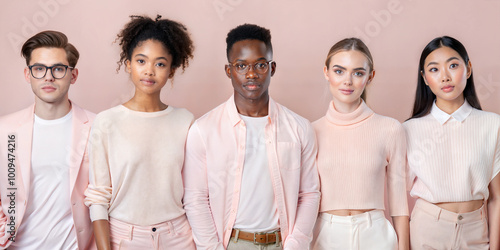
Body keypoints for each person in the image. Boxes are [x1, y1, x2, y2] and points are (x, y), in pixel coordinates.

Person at [183, 23, 320, 250]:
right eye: (241, 65)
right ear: (229, 71)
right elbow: (196, 198)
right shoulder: (203, 130)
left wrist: (296, 245)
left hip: (283, 243)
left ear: (272, 68)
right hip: (231, 244)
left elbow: (309, 194)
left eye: (260, 65)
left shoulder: (299, 128)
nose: (251, 74)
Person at [84, 15, 196, 250]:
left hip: (178, 237)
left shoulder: (185, 120)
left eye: (160, 63)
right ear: (128, 64)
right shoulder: (107, 122)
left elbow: (195, 191)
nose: (149, 71)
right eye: (141, 61)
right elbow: (98, 197)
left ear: (172, 70)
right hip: (124, 237)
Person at [310, 38, 409, 250]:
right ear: (326, 72)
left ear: (370, 77)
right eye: (339, 71)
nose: (348, 81)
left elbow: (399, 201)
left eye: (358, 73)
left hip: (376, 235)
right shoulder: (310, 131)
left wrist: (404, 247)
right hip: (326, 236)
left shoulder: (390, 129)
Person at [0, 30, 96, 249]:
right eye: (39, 69)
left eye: (58, 69)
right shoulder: (4, 131)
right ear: (28, 74)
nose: (48, 76)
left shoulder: (97, 127)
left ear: (73, 75)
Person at [404, 36, 500, 249]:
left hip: (476, 231)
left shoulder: (492, 125)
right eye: (434, 69)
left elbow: (497, 197)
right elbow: (397, 196)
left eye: (453, 65)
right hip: (427, 230)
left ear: (468, 69)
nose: (445, 77)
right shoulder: (409, 130)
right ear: (425, 78)